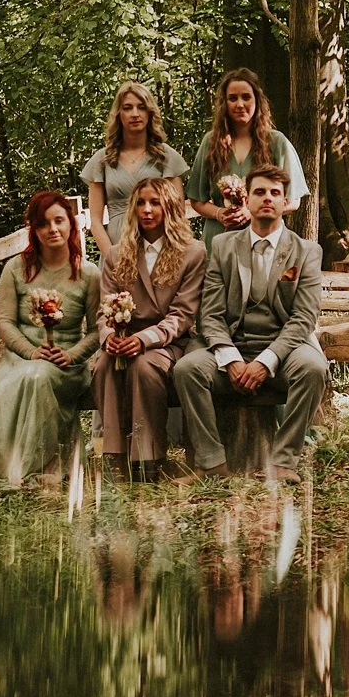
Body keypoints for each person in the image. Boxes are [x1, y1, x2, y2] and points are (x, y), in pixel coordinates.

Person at [174, 164, 327, 482]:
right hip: (233, 345)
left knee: (313, 369)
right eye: (259, 192)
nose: (267, 198)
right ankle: (211, 463)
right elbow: (211, 315)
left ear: (286, 202)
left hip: (285, 351)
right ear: (248, 200)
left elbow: (303, 319)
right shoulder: (224, 247)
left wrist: (266, 361)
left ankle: (283, 462)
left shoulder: (306, 252)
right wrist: (229, 359)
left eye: (275, 193)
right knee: (187, 370)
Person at [0, 191, 99, 490]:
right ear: (33, 230)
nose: (53, 229)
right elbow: (6, 323)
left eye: (59, 221)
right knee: (10, 385)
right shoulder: (16, 268)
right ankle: (6, 466)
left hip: (67, 365)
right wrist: (31, 351)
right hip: (21, 358)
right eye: (43, 224)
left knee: (38, 378)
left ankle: (28, 468)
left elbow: (97, 330)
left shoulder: (88, 274)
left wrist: (74, 354)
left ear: (71, 224)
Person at [93, 175, 208, 481]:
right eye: (141, 203)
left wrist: (144, 339)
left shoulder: (193, 253)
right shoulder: (117, 254)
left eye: (155, 202)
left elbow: (183, 314)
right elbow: (104, 307)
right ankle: (115, 457)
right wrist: (109, 338)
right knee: (104, 364)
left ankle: (149, 460)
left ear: (169, 206)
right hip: (122, 338)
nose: (146, 209)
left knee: (143, 367)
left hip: (168, 343)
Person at [186, 68, 308, 245]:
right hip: (219, 239)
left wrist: (253, 212)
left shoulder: (276, 142)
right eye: (233, 98)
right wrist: (219, 214)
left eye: (246, 97)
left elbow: (293, 201)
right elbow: (196, 199)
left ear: (257, 100)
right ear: (224, 103)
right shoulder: (211, 142)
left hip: (264, 237)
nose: (240, 104)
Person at [83, 80, 191, 254]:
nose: (135, 114)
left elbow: (177, 214)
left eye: (141, 107)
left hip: (159, 250)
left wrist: (169, 254)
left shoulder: (166, 157)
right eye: (127, 108)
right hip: (117, 249)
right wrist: (111, 256)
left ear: (150, 113)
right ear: (119, 114)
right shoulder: (102, 160)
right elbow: (95, 221)